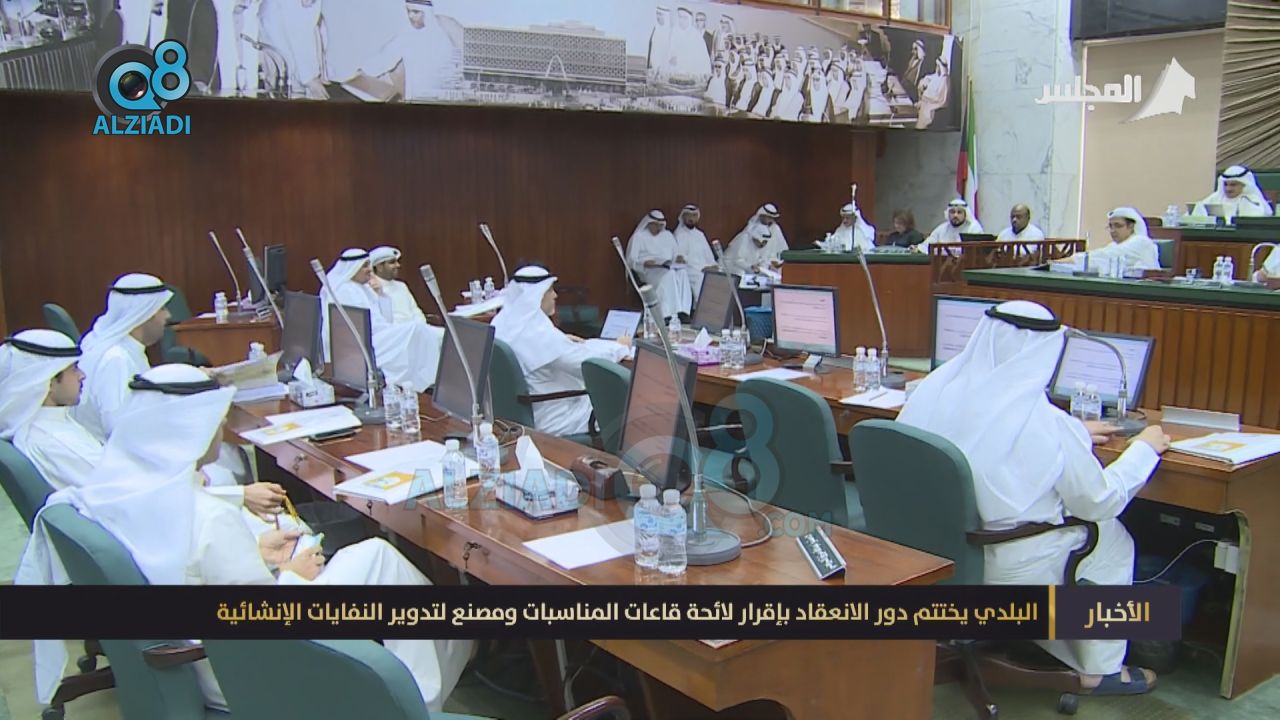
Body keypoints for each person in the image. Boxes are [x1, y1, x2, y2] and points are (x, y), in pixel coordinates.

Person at [17, 364, 473, 712]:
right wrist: (292, 574)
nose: (220, 431)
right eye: (216, 422)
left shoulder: (108, 493)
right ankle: (414, 703)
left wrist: (259, 556)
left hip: (196, 650)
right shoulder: (208, 517)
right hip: (240, 670)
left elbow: (174, 569)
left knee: (372, 559)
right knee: (380, 559)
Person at [898, 300, 1169, 696]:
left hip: (925, 550)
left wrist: (1073, 432)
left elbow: (982, 435)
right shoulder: (1047, 423)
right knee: (1111, 536)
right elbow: (1099, 501)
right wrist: (1144, 449)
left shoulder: (933, 389)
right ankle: (1100, 670)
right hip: (999, 565)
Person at [491, 266, 631, 437]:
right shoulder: (539, 334)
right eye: (550, 290)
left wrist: (563, 340)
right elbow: (587, 365)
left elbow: (543, 348)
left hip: (523, 412)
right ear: (537, 295)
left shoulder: (501, 322)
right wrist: (620, 347)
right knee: (630, 406)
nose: (555, 296)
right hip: (557, 417)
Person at [320, 248, 444, 392]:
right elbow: (359, 327)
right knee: (418, 330)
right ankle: (427, 382)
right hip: (364, 343)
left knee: (428, 332)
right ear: (353, 269)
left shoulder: (363, 288)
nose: (369, 270)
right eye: (365, 266)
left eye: (369, 265)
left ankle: (428, 380)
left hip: (379, 334)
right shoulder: (344, 291)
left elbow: (385, 318)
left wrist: (379, 293)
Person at [73, 273, 172, 442]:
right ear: (145, 313)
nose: (168, 315)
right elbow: (118, 429)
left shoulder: (117, 345)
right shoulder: (116, 359)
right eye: (162, 308)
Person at [0, 330, 101, 490]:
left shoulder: (51, 423)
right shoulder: (53, 441)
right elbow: (121, 486)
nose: (82, 375)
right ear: (49, 381)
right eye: (74, 368)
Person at [626, 210, 692, 321]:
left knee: (682, 273)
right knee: (670, 275)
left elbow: (676, 253)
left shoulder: (667, 235)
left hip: (667, 267)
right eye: (656, 225)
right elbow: (631, 260)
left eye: (660, 225)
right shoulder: (639, 237)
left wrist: (679, 258)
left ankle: (683, 311)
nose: (658, 228)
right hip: (648, 271)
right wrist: (644, 263)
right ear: (649, 223)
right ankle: (667, 313)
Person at [1069, 207, 1161, 271]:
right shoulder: (1114, 245)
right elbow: (1099, 261)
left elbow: (1104, 255)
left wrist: (1072, 259)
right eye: (1110, 226)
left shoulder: (1141, 242)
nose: (1113, 231)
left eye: (1118, 226)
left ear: (1131, 226)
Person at [672, 205, 720, 302]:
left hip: (705, 267)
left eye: (694, 216)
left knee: (722, 275)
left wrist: (713, 265)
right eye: (688, 216)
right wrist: (702, 268)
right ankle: (702, 309)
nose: (691, 219)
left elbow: (708, 253)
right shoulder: (679, 234)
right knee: (700, 279)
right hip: (691, 270)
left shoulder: (700, 234)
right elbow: (682, 258)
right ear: (683, 217)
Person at [369, 246, 427, 324]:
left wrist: (421, 326)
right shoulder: (370, 289)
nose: (398, 265)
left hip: (415, 328)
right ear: (379, 267)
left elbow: (416, 311)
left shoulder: (402, 286)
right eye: (392, 262)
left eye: (397, 262)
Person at [725, 203, 788, 275]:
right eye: (767, 217)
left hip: (761, 265)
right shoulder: (747, 235)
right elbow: (738, 260)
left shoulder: (774, 229)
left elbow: (765, 257)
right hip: (737, 267)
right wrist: (751, 267)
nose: (762, 244)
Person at [1196, 165, 1273, 220]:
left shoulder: (1252, 201)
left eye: (1233, 185)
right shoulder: (1215, 198)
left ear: (1244, 185)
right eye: (1225, 184)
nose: (1228, 189)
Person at [917, 199, 984, 251]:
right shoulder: (942, 228)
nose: (955, 215)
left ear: (965, 214)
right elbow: (926, 245)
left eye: (959, 212)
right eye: (952, 212)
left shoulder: (974, 228)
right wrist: (918, 248)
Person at [915, 57, 950, 129]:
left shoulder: (945, 80)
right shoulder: (937, 76)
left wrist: (925, 96)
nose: (936, 68)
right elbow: (931, 78)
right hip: (930, 101)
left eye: (938, 66)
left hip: (937, 104)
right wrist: (924, 81)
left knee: (925, 110)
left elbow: (939, 98)